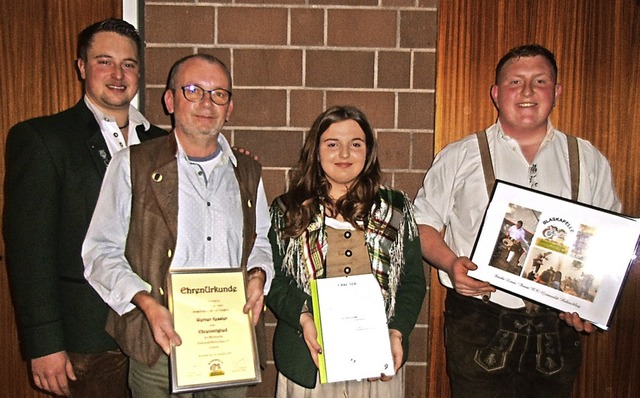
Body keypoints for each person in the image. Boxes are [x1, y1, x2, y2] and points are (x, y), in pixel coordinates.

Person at [413, 44, 621, 398]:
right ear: (496, 94)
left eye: (539, 81)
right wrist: (451, 264)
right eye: (515, 82)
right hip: (478, 324)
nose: (526, 91)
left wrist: (592, 305)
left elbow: (610, 243)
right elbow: (421, 224)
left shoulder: (588, 159)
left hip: (557, 331)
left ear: (556, 92)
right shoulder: (459, 155)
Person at [82, 53, 274, 397]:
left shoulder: (247, 172)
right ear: (170, 100)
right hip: (159, 349)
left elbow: (260, 242)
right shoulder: (132, 165)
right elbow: (101, 252)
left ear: (229, 107)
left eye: (219, 94)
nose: (207, 102)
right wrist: (146, 304)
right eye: (193, 90)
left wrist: (258, 276)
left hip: (229, 345)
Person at [3, 19, 167, 397]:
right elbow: (30, 251)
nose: (117, 74)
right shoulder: (43, 140)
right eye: (104, 61)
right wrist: (44, 343)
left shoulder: (166, 144)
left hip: (158, 336)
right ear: (81, 67)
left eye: (128, 64)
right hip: (86, 339)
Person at [266, 105, 426, 397]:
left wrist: (396, 332)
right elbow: (274, 281)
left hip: (377, 363)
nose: (344, 154)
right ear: (316, 151)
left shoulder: (396, 208)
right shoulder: (287, 210)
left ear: (368, 152)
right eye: (332, 144)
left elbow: (413, 281)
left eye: (355, 144)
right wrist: (304, 317)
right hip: (309, 359)